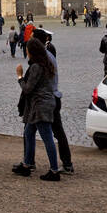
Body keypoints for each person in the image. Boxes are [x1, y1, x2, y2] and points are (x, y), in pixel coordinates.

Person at [12, 37, 61, 181]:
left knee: (47, 138)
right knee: (28, 132)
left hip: (41, 106)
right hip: (41, 104)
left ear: (31, 51)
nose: (26, 52)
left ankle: (54, 171)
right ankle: (27, 165)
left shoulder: (36, 67)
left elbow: (28, 89)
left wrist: (20, 76)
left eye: (27, 50)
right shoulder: (45, 63)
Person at [32, 27, 73, 174]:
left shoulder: (44, 57)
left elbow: (38, 80)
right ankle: (29, 161)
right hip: (52, 97)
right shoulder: (47, 55)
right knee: (30, 131)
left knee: (50, 134)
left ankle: (56, 166)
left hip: (46, 100)